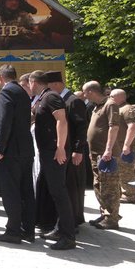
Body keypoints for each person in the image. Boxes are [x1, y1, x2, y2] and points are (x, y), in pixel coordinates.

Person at [0, 65, 36, 245]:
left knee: (11, 192)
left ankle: (13, 231)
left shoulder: (6, 93)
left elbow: (5, 121)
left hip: (11, 152)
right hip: (25, 150)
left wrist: (0, 148)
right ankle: (28, 230)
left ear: (1, 77)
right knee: (26, 191)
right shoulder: (22, 92)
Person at [29, 71, 75, 250]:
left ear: (34, 82)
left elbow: (61, 121)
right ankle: (59, 228)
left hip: (55, 153)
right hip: (48, 152)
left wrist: (61, 147)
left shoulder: (51, 97)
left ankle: (69, 236)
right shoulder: (43, 98)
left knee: (59, 193)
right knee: (54, 192)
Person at [38, 71, 88, 228]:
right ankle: (59, 222)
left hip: (70, 151)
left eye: (50, 86)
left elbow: (81, 127)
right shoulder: (59, 99)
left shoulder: (73, 101)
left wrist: (78, 150)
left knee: (71, 188)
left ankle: (72, 221)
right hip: (61, 151)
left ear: (56, 84)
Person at [82, 81, 123, 230]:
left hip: (106, 154)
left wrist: (108, 149)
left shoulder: (110, 104)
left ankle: (112, 219)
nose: (84, 96)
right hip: (95, 153)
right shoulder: (97, 106)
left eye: (85, 93)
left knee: (109, 187)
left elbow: (114, 127)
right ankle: (105, 214)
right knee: (99, 185)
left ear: (91, 92)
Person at [110, 89, 135, 203]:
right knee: (120, 171)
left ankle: (129, 195)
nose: (110, 98)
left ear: (120, 97)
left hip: (125, 146)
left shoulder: (128, 109)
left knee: (127, 171)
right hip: (118, 145)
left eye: (112, 96)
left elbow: (132, 127)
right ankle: (123, 193)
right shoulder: (118, 108)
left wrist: (127, 145)